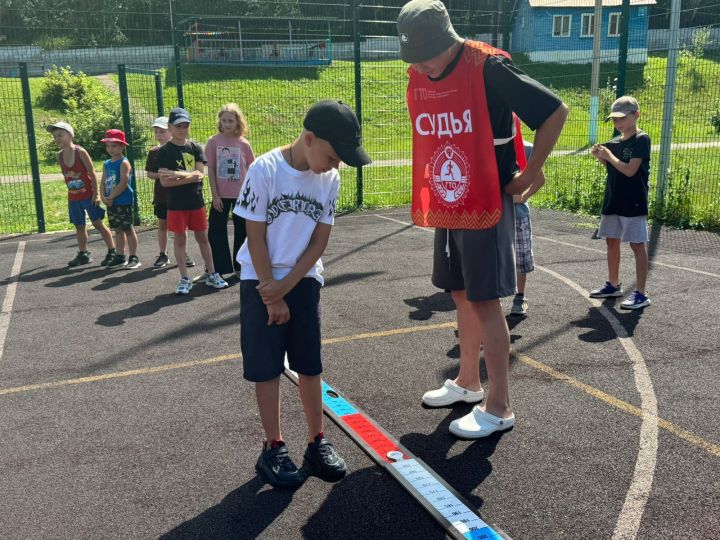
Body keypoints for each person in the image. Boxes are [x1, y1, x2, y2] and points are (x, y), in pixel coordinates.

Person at [397, 0, 568, 438]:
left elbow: (554, 111)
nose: (423, 65)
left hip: (488, 196)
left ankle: (499, 407)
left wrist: (532, 169)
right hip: (450, 196)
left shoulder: (488, 67)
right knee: (459, 292)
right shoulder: (420, 72)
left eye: (428, 54)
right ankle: (467, 382)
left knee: (486, 300)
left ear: (449, 40)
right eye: (415, 57)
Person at [235, 100, 371, 488]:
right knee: (266, 367)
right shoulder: (265, 169)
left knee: (310, 365)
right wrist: (271, 293)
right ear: (308, 139)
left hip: (302, 279)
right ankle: (273, 447)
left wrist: (288, 286)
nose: (336, 165)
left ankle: (317, 441)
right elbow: (255, 235)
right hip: (260, 279)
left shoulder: (329, 178)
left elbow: (319, 240)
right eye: (332, 156)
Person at [157, 107, 228, 294]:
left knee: (203, 238)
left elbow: (200, 175)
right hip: (176, 205)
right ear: (170, 127)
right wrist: (188, 176)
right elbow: (165, 181)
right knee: (180, 239)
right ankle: (185, 278)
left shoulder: (195, 147)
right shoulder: (164, 151)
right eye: (178, 126)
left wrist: (177, 175)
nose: (182, 129)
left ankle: (212, 274)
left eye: (186, 125)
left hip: (196, 202)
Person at [590, 96, 651, 310]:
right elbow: (613, 169)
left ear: (636, 115)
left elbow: (630, 170)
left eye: (622, 118)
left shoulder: (641, 139)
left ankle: (641, 293)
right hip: (613, 199)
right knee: (611, 241)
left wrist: (609, 157)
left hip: (633, 201)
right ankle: (613, 285)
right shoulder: (614, 143)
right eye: (614, 120)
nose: (618, 124)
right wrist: (601, 156)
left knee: (636, 244)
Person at [47, 121, 117, 267]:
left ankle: (112, 251)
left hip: (88, 195)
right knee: (79, 226)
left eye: (60, 135)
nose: (57, 139)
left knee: (98, 223)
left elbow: (92, 172)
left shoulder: (80, 152)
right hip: (73, 197)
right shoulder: (59, 156)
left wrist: (96, 194)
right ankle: (83, 253)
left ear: (70, 135)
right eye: (55, 136)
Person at [204, 103, 255, 279]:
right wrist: (214, 195)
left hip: (241, 195)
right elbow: (210, 170)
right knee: (216, 230)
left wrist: (250, 193)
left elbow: (252, 169)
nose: (227, 124)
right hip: (221, 195)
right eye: (224, 120)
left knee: (243, 229)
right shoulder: (213, 142)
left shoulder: (243, 143)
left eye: (230, 120)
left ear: (237, 122)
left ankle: (240, 265)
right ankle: (218, 267)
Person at [144, 116, 196, 269]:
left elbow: (189, 171)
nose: (159, 135)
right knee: (162, 224)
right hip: (161, 195)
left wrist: (177, 175)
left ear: (171, 131)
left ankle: (183, 253)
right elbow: (150, 173)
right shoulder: (154, 152)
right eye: (157, 132)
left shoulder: (181, 149)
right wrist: (161, 175)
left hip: (178, 195)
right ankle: (163, 254)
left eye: (163, 131)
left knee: (180, 227)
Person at [510, 140, 545, 316]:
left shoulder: (526, 148)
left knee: (521, 258)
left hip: (518, 214)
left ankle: (519, 296)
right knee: (494, 258)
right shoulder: (488, 144)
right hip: (494, 214)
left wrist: (523, 197)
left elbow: (540, 179)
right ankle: (495, 297)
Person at [99, 129, 140, 269]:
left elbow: (123, 183)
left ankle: (134, 257)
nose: (110, 149)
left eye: (114, 145)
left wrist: (111, 196)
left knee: (128, 228)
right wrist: (103, 197)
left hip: (123, 201)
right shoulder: (106, 163)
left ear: (122, 146)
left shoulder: (124, 163)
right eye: (108, 146)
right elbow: (103, 181)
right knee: (117, 230)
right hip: (111, 202)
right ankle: (120, 256)